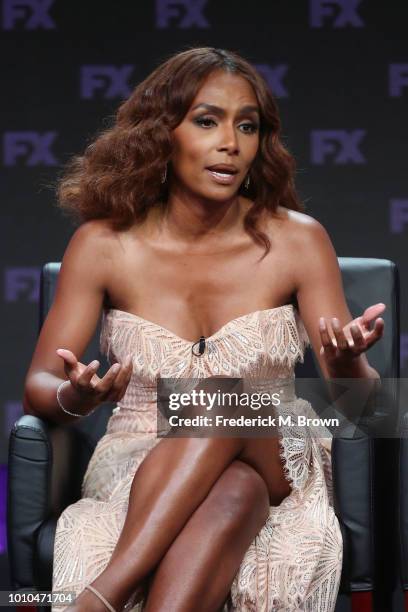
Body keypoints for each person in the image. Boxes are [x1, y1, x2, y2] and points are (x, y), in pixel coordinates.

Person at [23, 47, 385, 612]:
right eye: (207, 121)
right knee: (233, 493)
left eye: (248, 126)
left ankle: (103, 596)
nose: (232, 144)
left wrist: (345, 365)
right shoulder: (102, 245)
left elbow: (366, 410)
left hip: (274, 447)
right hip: (141, 454)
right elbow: (40, 389)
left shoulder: (298, 239)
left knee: (218, 398)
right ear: (162, 133)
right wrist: (74, 396)